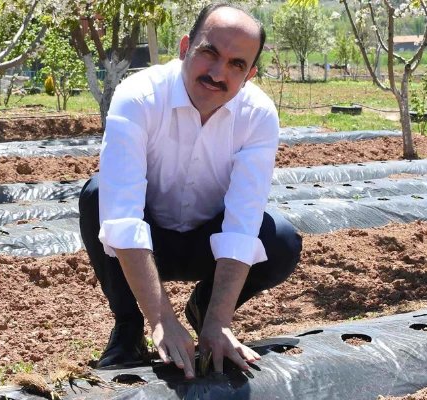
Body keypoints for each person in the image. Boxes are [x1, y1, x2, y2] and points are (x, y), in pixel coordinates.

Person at [79, 2, 302, 379]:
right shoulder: (139, 96)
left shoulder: (258, 115)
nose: (217, 73)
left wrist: (219, 320)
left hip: (206, 244)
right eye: (209, 53)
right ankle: (129, 329)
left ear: (249, 75)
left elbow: (243, 220)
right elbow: (124, 217)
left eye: (236, 64)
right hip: (149, 242)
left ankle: (204, 309)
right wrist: (161, 320)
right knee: (97, 195)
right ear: (185, 48)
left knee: (280, 239)